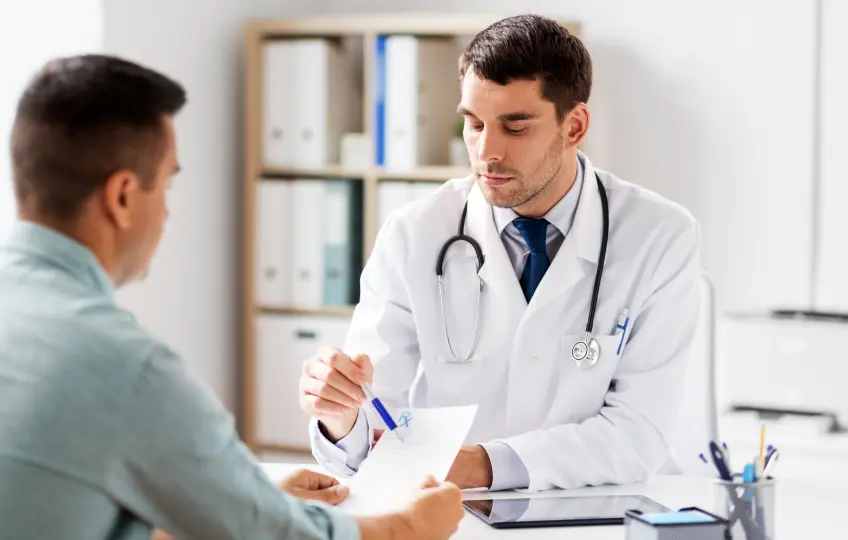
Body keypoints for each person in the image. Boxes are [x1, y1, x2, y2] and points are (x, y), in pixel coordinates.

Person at [0, 54, 463, 540]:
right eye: (166, 182)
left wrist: (249, 494)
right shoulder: (119, 366)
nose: (166, 211)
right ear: (121, 196)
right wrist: (407, 525)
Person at [300, 14, 703, 492]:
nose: (486, 152)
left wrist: (478, 465)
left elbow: (639, 433)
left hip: (589, 513)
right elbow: (370, 425)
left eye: (515, 128)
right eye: (472, 124)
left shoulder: (659, 235)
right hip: (451, 512)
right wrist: (341, 419)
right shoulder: (415, 233)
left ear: (574, 126)